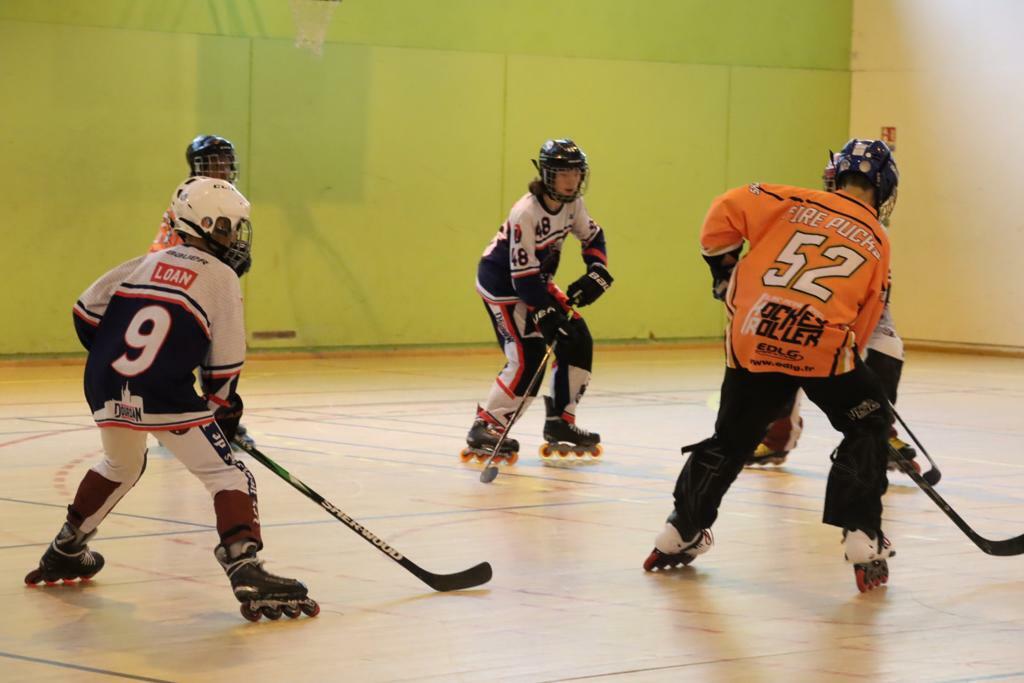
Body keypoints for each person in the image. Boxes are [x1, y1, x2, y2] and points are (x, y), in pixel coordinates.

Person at [25, 177, 318, 621]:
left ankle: (66, 548)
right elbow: (225, 361)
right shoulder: (220, 276)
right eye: (230, 227)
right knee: (227, 475)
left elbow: (85, 311)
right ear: (208, 225)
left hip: (104, 383)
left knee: (120, 466)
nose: (236, 238)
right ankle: (245, 566)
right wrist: (222, 407)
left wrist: (114, 357)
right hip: (164, 392)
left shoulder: (143, 263)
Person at [644, 139, 899, 593]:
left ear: (835, 177)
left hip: (755, 331)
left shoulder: (787, 199)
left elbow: (723, 211)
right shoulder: (878, 240)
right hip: (820, 343)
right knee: (869, 424)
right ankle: (862, 535)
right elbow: (867, 318)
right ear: (883, 190)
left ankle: (679, 530)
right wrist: (850, 372)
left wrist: (723, 271)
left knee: (731, 438)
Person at [748, 155, 919, 474]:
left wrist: (851, 335)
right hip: (806, 312)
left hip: (856, 317)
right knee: (782, 347)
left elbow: (878, 300)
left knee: (887, 347)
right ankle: (777, 435)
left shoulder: (876, 232)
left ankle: (880, 431)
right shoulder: (801, 214)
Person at [461, 139, 613, 464]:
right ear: (546, 175)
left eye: (576, 173)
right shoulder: (525, 212)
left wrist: (597, 272)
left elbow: (593, 236)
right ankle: (486, 425)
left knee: (576, 338)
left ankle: (561, 421)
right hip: (503, 284)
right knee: (528, 355)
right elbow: (521, 275)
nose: (571, 181)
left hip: (535, 280)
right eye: (563, 174)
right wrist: (544, 313)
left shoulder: (574, 204)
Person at [148, 134, 255, 451]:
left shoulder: (228, 198)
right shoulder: (191, 199)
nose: (221, 167)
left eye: (226, 162)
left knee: (219, 356)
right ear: (197, 165)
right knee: (191, 357)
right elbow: (171, 246)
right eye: (214, 162)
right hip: (184, 285)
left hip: (209, 284)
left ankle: (217, 419)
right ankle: (185, 421)